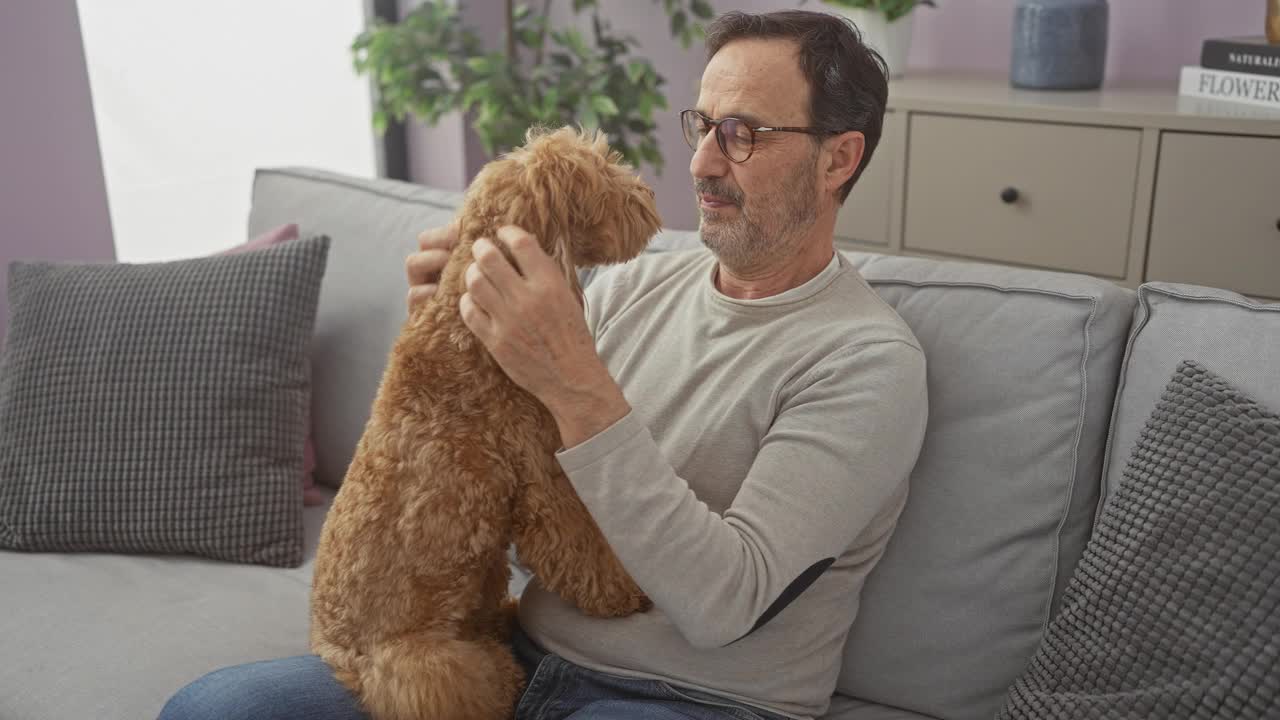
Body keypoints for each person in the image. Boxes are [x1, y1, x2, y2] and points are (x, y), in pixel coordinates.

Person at [158, 9, 927, 720]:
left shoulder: (865, 363)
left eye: (742, 133)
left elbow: (725, 607)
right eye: (701, 125)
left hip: (694, 699)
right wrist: (458, 337)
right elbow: (508, 471)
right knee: (215, 709)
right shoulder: (635, 285)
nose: (699, 162)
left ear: (839, 159)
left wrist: (573, 381)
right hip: (516, 655)